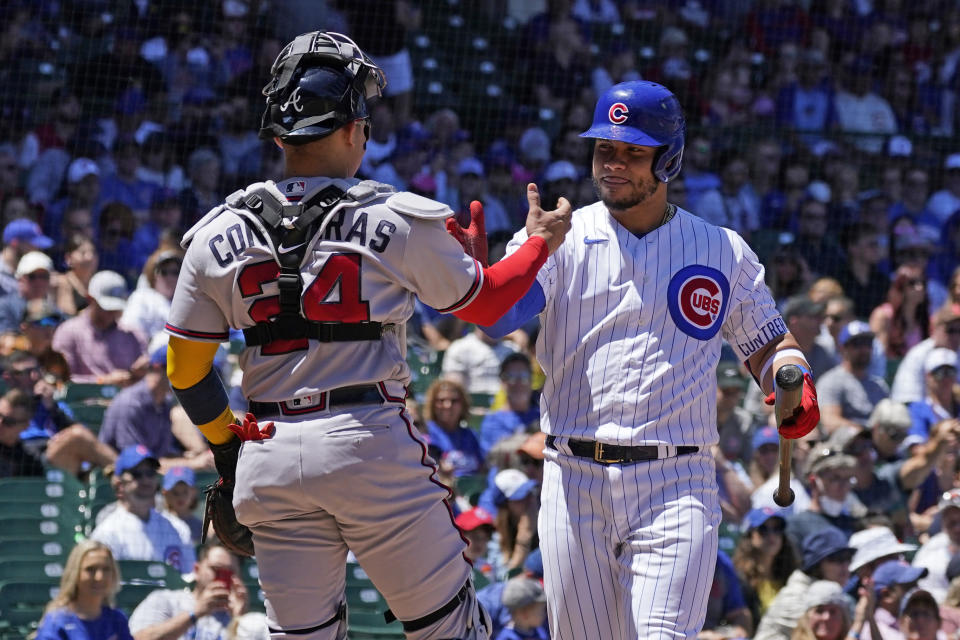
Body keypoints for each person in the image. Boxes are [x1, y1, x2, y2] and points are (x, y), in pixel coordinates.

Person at [163, 31, 571, 640]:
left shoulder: (216, 230)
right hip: (368, 443)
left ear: (279, 136)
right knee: (449, 630)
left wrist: (228, 447)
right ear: (355, 128)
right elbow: (488, 305)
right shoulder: (396, 213)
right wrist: (540, 240)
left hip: (269, 450)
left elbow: (186, 372)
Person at [479, 80, 820, 639]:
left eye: (633, 152)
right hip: (573, 479)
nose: (614, 164)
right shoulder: (560, 237)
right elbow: (496, 320)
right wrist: (511, 262)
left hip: (676, 480)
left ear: (670, 159)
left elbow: (772, 348)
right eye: (605, 149)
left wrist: (794, 381)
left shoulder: (721, 249)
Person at [90, 444, 196, 576]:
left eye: (150, 473)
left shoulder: (178, 529)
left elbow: (189, 577)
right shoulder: (107, 533)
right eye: (137, 474)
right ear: (119, 484)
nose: (145, 480)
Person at [128, 542, 250, 640]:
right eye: (216, 569)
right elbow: (139, 638)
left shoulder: (238, 616)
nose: (221, 577)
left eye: (229, 573)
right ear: (197, 570)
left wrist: (239, 619)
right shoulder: (165, 600)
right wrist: (195, 612)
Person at [755, 527, 855, 640]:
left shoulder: (829, 594)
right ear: (817, 565)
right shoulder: (795, 595)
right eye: (837, 558)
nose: (844, 566)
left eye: (848, 558)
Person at [52, 270, 148, 386]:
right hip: (84, 402)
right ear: (90, 299)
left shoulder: (133, 335)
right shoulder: (68, 332)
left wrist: (142, 372)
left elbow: (148, 380)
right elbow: (61, 380)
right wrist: (102, 381)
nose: (111, 312)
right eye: (106, 308)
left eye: (116, 308)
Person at [35, 539, 133, 640]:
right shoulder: (57, 622)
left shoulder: (117, 620)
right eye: (90, 569)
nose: (99, 577)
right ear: (75, 574)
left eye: (106, 569)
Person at [816, 321, 890, 434]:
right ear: (843, 348)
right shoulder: (831, 381)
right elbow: (829, 422)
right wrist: (865, 433)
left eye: (868, 344)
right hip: (843, 447)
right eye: (858, 344)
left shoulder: (879, 385)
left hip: (877, 448)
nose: (864, 349)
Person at [732, 508, 798, 624]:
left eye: (777, 529)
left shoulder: (792, 577)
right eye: (763, 529)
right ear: (749, 535)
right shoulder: (738, 579)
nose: (772, 536)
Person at [891, 304, 960, 405]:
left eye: (959, 331)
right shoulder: (918, 355)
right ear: (933, 330)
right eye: (951, 331)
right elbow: (908, 399)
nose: (956, 336)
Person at [479, 353, 540, 456]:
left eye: (524, 376)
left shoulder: (544, 417)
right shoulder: (492, 421)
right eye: (511, 377)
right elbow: (495, 457)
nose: (518, 383)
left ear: (531, 380)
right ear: (502, 381)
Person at [422, 378, 485, 478]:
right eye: (441, 400)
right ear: (432, 404)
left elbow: (482, 467)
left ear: (463, 404)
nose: (448, 405)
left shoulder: (470, 435)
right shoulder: (425, 432)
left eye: (454, 400)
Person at [861, 560, 928, 640]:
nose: (918, 590)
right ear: (887, 595)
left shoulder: (919, 623)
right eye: (910, 586)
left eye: (917, 584)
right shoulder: (871, 632)